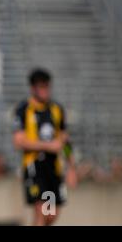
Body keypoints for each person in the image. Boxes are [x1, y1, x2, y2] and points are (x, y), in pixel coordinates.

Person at [12, 68, 77, 226]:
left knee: (51, 214)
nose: (45, 90)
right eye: (41, 87)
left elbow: (64, 141)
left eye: (47, 86)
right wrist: (47, 146)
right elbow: (19, 141)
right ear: (33, 88)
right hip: (35, 166)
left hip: (53, 168)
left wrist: (72, 167)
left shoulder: (56, 109)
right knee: (42, 209)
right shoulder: (24, 109)